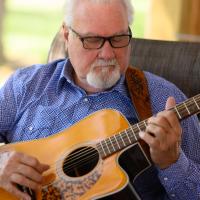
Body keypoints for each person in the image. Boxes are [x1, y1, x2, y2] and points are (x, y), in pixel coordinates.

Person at [0, 0, 200, 199]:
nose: (107, 54)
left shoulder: (163, 99)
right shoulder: (25, 85)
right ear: (67, 35)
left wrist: (173, 163)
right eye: (93, 40)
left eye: (118, 38)